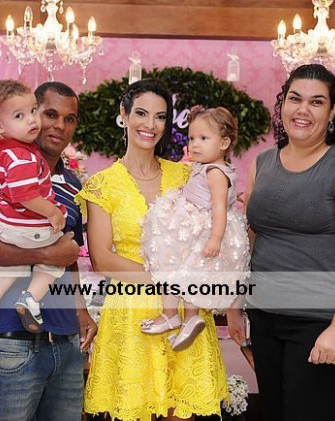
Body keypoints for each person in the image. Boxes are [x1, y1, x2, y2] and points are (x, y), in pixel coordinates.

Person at [227, 64, 335, 421]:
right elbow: (249, 239)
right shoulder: (263, 162)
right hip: (264, 318)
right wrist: (235, 304)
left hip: (319, 322)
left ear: (332, 111)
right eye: (295, 99)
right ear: (282, 104)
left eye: (316, 102)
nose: (303, 110)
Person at [76, 79, 228, 420]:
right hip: (131, 313)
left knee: (181, 412)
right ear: (124, 114)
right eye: (142, 113)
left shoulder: (188, 175)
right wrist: (171, 280)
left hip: (186, 314)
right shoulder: (102, 184)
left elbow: (213, 225)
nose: (151, 124)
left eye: (160, 117)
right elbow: (102, 259)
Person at [0, 81, 97, 421]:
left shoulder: (72, 184)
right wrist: (43, 257)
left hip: (66, 344)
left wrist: (80, 312)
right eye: (49, 114)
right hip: (11, 344)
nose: (59, 125)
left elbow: (68, 253)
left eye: (69, 119)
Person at [0, 79, 69, 353]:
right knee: (55, 260)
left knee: (0, 277)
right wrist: (53, 212)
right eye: (20, 116)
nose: (32, 120)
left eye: (32, 111)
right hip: (31, 228)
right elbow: (25, 195)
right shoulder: (23, 157)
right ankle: (31, 298)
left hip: (5, 228)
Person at [140, 105, 250, 351]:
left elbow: (219, 208)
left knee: (174, 264)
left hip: (200, 229)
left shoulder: (214, 172)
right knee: (185, 272)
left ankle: (173, 314)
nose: (194, 145)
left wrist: (215, 238)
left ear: (224, 143)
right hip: (196, 224)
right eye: (191, 138)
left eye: (203, 138)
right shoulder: (208, 168)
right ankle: (188, 318)